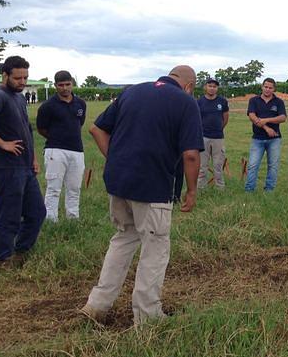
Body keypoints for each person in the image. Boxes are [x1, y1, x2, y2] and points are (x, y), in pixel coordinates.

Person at [80, 66, 203, 325]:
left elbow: (97, 129)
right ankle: (148, 316)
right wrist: (191, 191)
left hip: (119, 183)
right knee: (155, 248)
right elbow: (191, 154)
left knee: (123, 238)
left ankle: (97, 305)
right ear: (189, 86)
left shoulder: (131, 92)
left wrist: (115, 159)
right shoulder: (186, 102)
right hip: (154, 186)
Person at [0, 56, 45, 266]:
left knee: (37, 212)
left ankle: (20, 251)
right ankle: (3, 258)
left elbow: (26, 130)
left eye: (25, 78)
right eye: (18, 78)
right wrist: (2, 143)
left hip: (25, 166)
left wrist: (33, 158)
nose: (22, 82)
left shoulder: (19, 97)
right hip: (5, 168)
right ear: (5, 75)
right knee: (9, 215)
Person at [36, 70, 87, 222]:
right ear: (55, 85)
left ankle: (73, 218)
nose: (64, 88)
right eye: (61, 85)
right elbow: (41, 128)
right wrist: (57, 138)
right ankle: (51, 220)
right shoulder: (47, 106)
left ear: (72, 83)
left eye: (67, 84)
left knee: (74, 188)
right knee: (54, 188)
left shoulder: (81, 104)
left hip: (77, 150)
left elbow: (80, 123)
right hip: (55, 150)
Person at [246, 77, 287, 192]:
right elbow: (252, 116)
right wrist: (266, 127)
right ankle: (249, 190)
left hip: (274, 139)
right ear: (262, 87)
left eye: (270, 88)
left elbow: (283, 117)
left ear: (274, 89)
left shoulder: (279, 102)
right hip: (257, 139)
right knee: (253, 165)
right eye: (266, 87)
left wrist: (266, 120)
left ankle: (269, 190)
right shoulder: (254, 100)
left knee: (273, 166)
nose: (267, 89)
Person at [196, 79, 229, 190]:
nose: (212, 88)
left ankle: (220, 188)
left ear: (217, 88)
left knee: (218, 166)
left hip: (218, 138)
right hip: (203, 137)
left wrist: (219, 129)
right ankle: (201, 188)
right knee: (202, 166)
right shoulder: (199, 102)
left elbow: (225, 118)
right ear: (205, 87)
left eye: (214, 86)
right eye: (210, 86)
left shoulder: (222, 101)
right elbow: (196, 119)